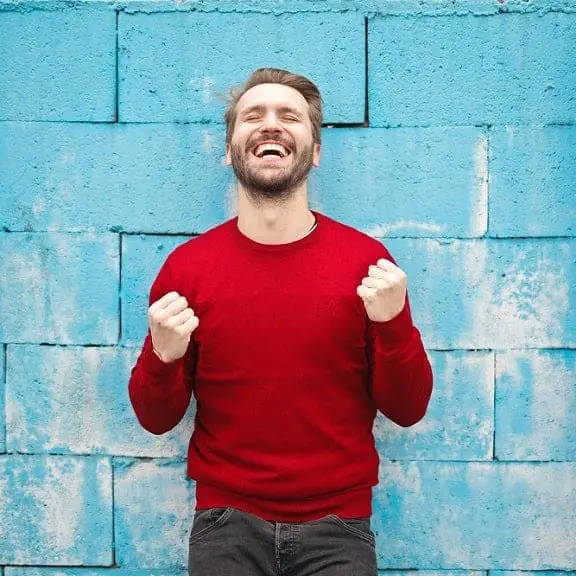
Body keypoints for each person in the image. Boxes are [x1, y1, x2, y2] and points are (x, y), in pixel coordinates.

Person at [128, 68, 433, 576]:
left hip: (340, 527)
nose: (270, 125)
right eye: (254, 116)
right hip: (225, 526)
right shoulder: (187, 269)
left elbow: (408, 409)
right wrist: (163, 356)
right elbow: (155, 418)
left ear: (314, 152)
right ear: (230, 150)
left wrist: (395, 325)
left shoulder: (367, 263)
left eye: (289, 116)